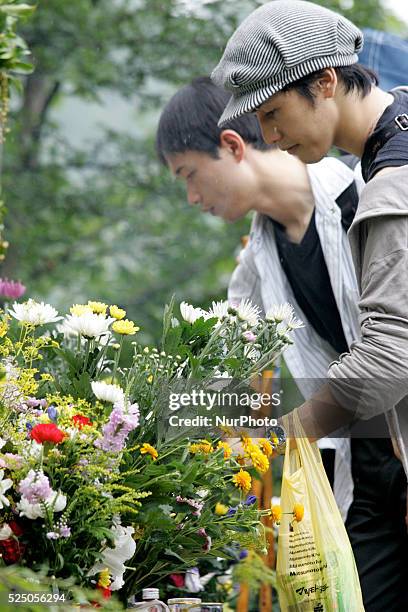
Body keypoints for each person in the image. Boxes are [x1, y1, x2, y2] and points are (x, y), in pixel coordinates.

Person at [211, 1, 408, 610]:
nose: (270, 137)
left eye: (274, 113)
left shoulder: (393, 177)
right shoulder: (383, 153)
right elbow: (232, 336)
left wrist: (287, 433)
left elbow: (391, 354)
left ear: (326, 81)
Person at [156, 76, 363, 520]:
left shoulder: (362, 195)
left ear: (232, 146)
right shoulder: (258, 256)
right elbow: (225, 359)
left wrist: (270, 435)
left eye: (189, 174)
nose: (192, 198)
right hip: (363, 468)